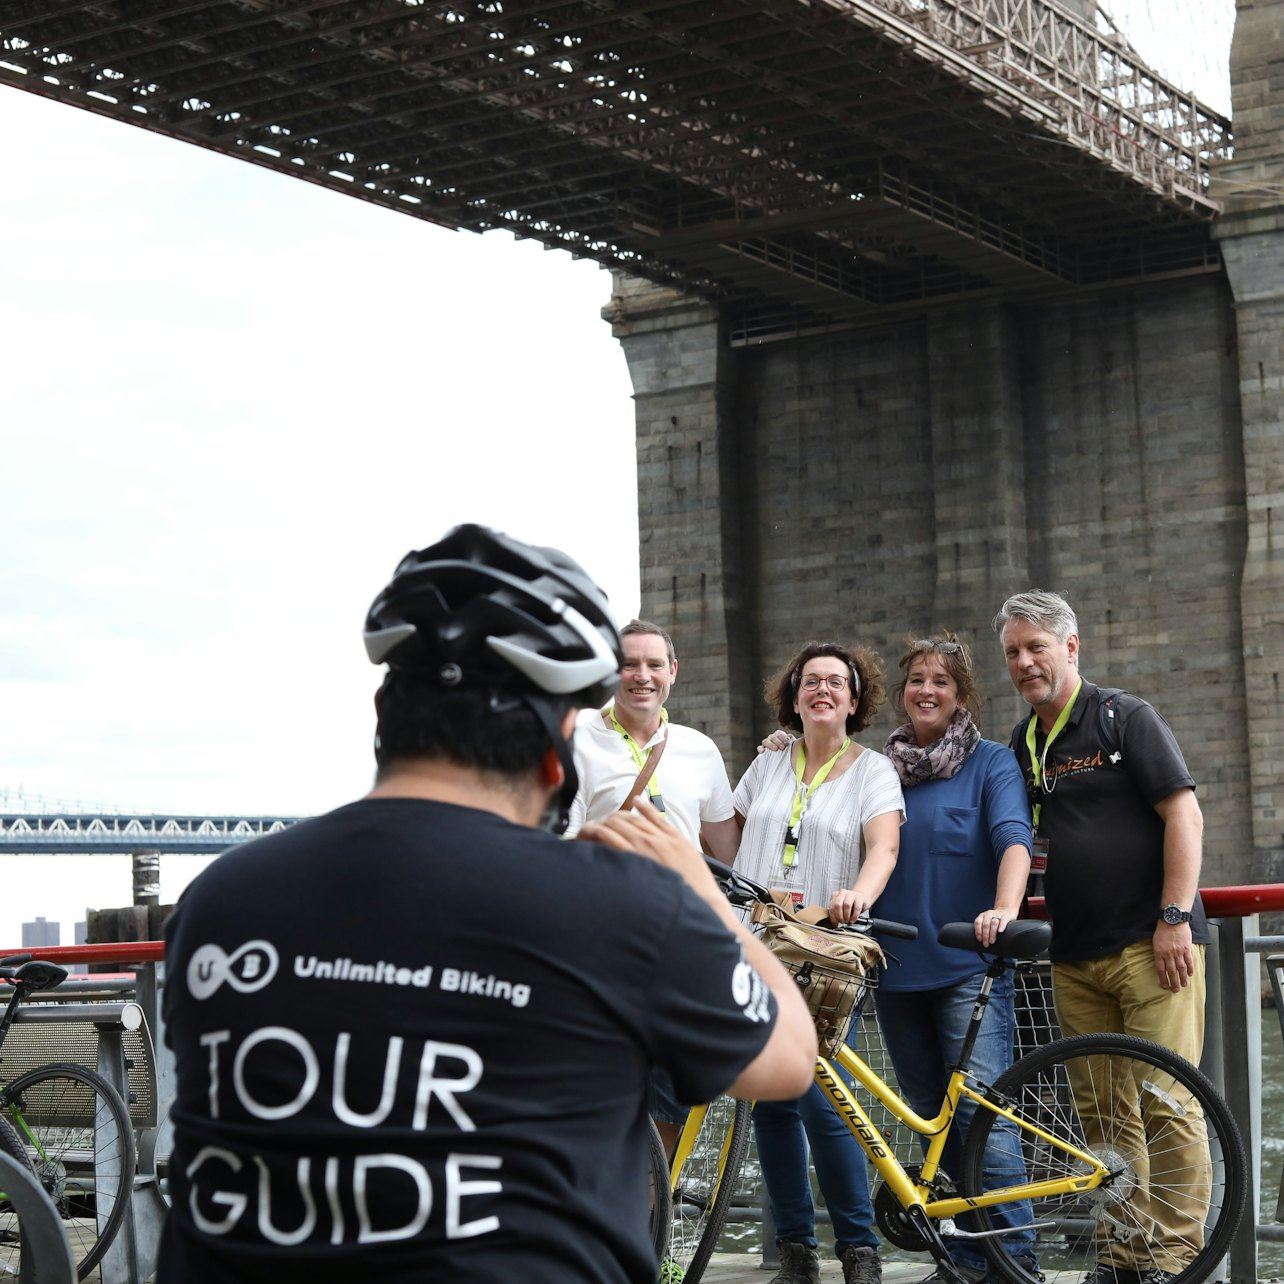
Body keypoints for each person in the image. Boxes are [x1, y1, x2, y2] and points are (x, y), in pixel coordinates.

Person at [159, 524, 817, 1284]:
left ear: (384, 714)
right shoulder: (618, 906)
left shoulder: (221, 899)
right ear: (556, 751)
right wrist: (700, 888)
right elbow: (787, 1056)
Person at [994, 589, 1210, 1284]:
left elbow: (1184, 815)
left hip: (1153, 947)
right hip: (1074, 954)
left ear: (1071, 648)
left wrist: (1174, 918)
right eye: (1014, 653)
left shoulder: (1124, 717)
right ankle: (1122, 1254)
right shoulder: (1022, 744)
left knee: (1168, 1102)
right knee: (1102, 1115)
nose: (1026, 663)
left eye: (1037, 648)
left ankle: (1173, 1260)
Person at [733, 641, 903, 1284]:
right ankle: (797, 1251)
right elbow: (728, 834)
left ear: (854, 700)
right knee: (771, 1104)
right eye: (811, 682)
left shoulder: (873, 772)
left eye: (837, 683)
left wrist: (860, 891)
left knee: (822, 1099)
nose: (822, 691)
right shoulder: (768, 763)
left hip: (823, 952)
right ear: (794, 695)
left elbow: (883, 846)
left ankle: (859, 1248)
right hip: (756, 944)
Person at [873, 634, 1037, 1284]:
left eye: (941, 680)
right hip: (894, 969)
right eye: (917, 679)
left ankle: (1011, 1260)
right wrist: (782, 746)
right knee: (928, 1118)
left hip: (968, 967)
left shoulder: (991, 763)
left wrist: (1003, 909)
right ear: (902, 692)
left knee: (981, 1118)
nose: (927, 690)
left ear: (961, 694)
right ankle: (962, 1257)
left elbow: (1013, 838)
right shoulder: (878, 769)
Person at [565, 618, 740, 861]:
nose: (643, 676)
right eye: (630, 665)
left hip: (686, 897)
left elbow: (730, 854)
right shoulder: (576, 747)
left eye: (655, 665)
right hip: (609, 897)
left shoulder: (702, 749)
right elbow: (564, 851)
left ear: (672, 671)